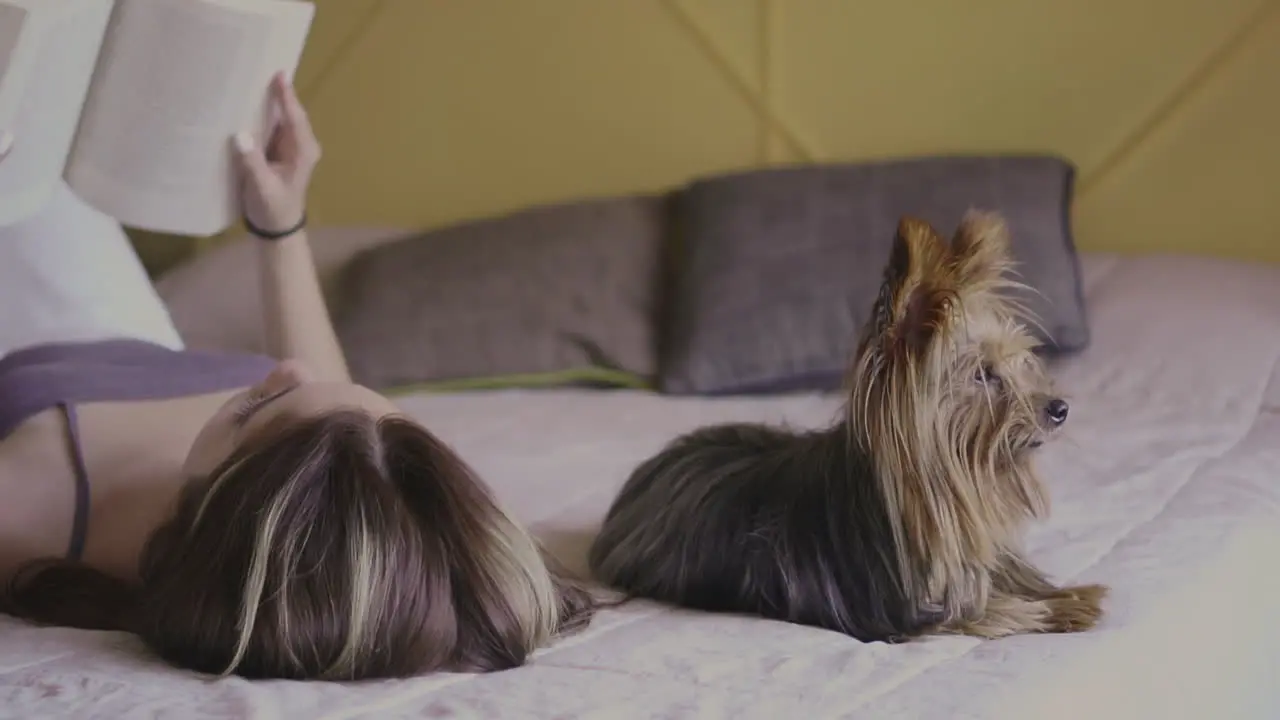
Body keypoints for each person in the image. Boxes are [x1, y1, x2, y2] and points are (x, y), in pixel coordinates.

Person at [0, 73, 595, 680]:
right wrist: (279, 224)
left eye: (260, 407)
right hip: (114, 320)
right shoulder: (369, 483)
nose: (286, 365)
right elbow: (332, 419)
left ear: (219, 506)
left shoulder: (24, 509)